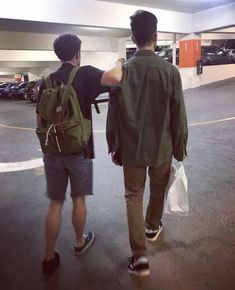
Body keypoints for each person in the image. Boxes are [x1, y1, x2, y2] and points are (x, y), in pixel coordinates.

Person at [106, 10, 188, 276]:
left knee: (133, 196)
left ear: (133, 38)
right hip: (162, 147)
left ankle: (139, 257)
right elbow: (179, 114)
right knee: (157, 188)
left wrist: (113, 145)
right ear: (155, 36)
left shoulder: (122, 73)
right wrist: (180, 146)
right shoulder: (170, 71)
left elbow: (113, 116)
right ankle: (153, 225)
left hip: (131, 150)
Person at [36, 33, 123, 276]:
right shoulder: (84, 74)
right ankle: (78, 241)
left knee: (55, 203)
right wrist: (119, 61)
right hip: (79, 149)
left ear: (58, 55)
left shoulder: (47, 81)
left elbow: (40, 118)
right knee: (78, 199)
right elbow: (116, 77)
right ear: (77, 54)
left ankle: (48, 256)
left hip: (52, 150)